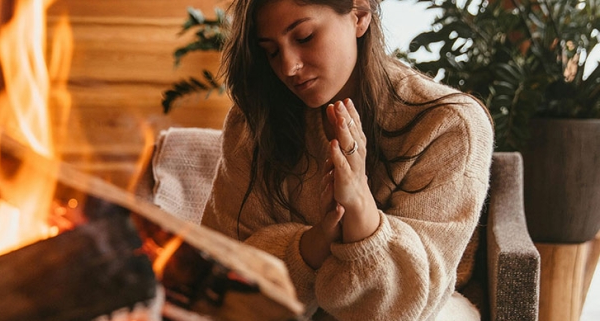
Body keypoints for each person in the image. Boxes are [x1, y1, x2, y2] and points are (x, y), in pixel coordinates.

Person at [200, 0, 494, 319]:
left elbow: (407, 304)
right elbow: (219, 273)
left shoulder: (447, 124)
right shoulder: (254, 121)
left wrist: (360, 212)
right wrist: (311, 245)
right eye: (271, 51)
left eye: (304, 37)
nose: (288, 67)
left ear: (360, 15)